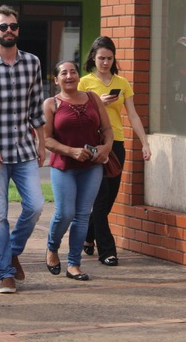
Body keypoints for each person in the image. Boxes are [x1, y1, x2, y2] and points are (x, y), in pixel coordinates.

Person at [0, 5, 46, 294]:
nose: (9, 31)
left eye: (13, 26)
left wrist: (41, 142)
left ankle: (12, 250)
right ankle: (5, 272)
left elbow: (36, 107)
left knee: (36, 206)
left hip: (24, 148)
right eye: (3, 27)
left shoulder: (32, 62)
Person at [78, 36, 151, 267]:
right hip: (95, 144)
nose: (105, 62)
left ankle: (89, 235)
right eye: (101, 58)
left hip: (116, 143)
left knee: (109, 199)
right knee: (100, 199)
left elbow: (133, 115)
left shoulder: (123, 82)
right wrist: (97, 102)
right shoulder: (84, 82)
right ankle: (107, 251)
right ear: (93, 58)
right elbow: (76, 113)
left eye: (109, 58)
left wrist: (144, 142)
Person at [44, 60, 113, 281]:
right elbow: (46, 139)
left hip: (91, 167)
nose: (69, 76)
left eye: (73, 71)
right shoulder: (51, 104)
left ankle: (74, 263)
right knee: (65, 213)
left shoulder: (92, 98)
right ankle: (52, 247)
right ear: (56, 80)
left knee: (82, 215)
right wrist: (71, 151)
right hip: (64, 167)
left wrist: (105, 148)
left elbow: (108, 129)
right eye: (64, 73)